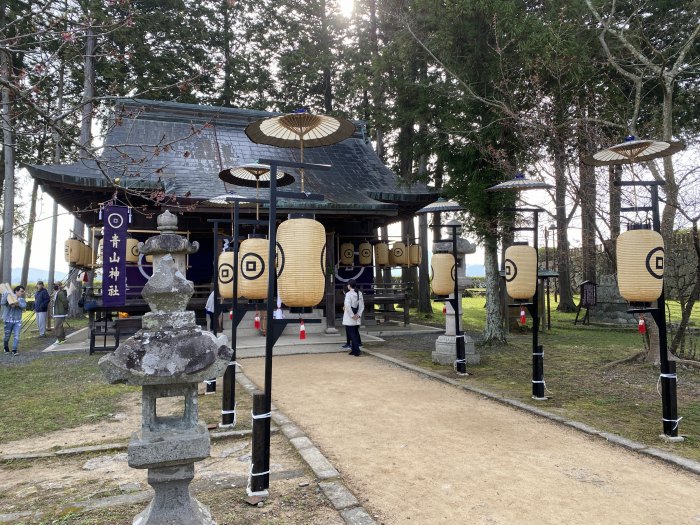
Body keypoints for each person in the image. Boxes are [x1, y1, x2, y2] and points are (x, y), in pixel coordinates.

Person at [2, 286, 27, 356]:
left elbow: (24, 306)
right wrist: (6, 295)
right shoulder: (8, 297)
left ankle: (14, 350)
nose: (22, 293)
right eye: (21, 291)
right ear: (16, 291)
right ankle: (6, 347)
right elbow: (2, 303)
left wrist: (17, 302)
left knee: (17, 335)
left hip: (17, 321)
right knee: (7, 336)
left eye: (23, 291)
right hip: (8, 320)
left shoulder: (21, 299)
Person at [342, 279, 364, 356]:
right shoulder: (359, 293)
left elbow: (347, 306)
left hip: (350, 317)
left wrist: (352, 316)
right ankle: (354, 350)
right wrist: (358, 314)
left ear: (349, 285)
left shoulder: (348, 294)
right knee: (354, 333)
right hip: (357, 316)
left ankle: (357, 350)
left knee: (352, 334)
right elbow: (361, 306)